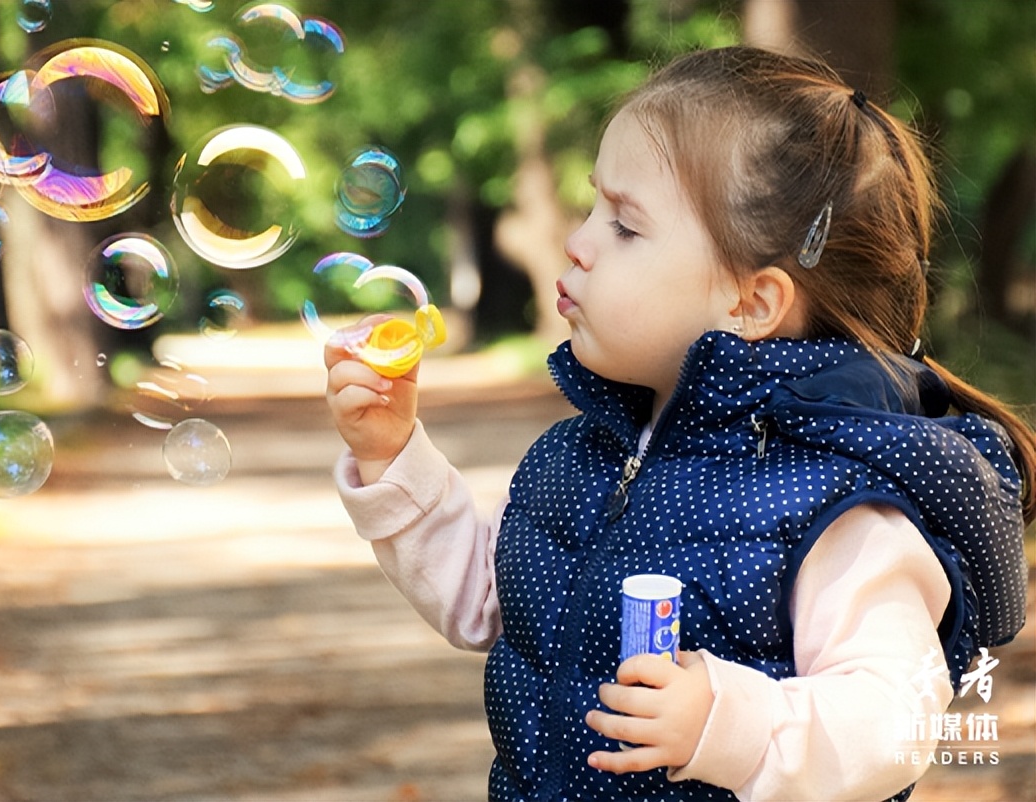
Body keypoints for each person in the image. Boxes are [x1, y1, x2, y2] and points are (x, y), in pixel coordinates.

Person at [324, 45, 1033, 802]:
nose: (577, 240)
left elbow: (895, 718)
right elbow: (490, 604)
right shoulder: (583, 455)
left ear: (752, 303)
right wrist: (394, 455)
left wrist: (726, 723)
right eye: (594, 204)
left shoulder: (834, 504)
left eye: (625, 227)